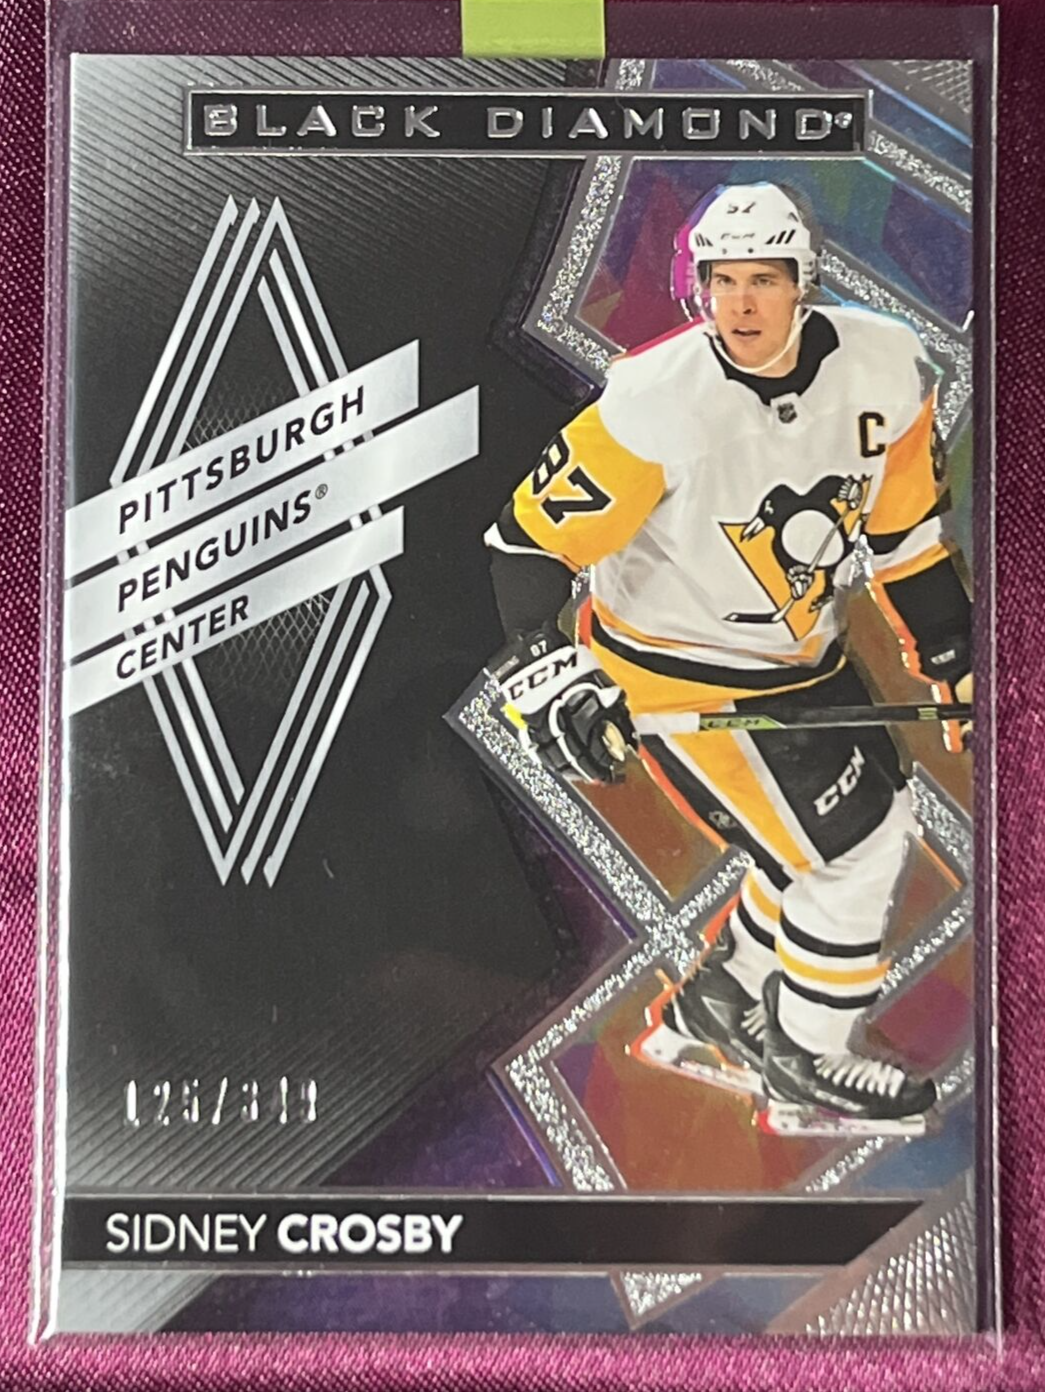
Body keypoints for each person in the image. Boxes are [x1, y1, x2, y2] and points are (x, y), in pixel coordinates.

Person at [485, 181, 972, 1135]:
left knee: (850, 823)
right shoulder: (654, 401)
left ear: (802, 283)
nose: (741, 304)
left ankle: (722, 1000)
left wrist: (949, 641)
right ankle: (804, 1060)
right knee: (853, 854)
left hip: (804, 658)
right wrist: (543, 665)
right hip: (678, 674)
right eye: (722, 281)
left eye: (763, 280)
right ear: (698, 286)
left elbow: (904, 529)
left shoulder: (883, 367)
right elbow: (525, 543)